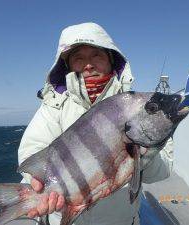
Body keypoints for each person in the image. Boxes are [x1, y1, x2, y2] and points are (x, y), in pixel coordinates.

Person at [18, 22, 173, 225]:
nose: (88, 64)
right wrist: (36, 186)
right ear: (67, 66)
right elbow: (33, 154)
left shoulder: (138, 107)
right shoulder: (54, 106)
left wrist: (143, 156)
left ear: (111, 59)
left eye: (96, 55)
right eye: (78, 58)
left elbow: (163, 171)